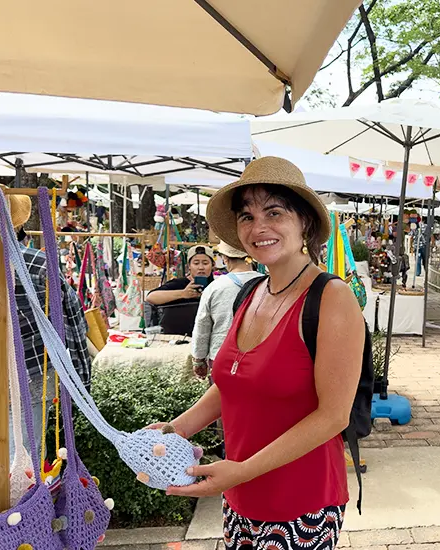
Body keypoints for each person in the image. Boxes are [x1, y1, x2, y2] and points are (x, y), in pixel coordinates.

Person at [159, 157, 364, 550]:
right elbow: (230, 384)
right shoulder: (249, 293)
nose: (259, 227)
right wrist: (176, 430)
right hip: (238, 494)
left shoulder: (331, 298)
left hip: (300, 503)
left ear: (304, 221)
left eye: (274, 212)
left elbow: (333, 416)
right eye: (247, 216)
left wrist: (242, 471)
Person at [0, 188, 91, 459]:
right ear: (19, 221)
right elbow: (71, 322)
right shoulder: (37, 263)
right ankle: (26, 503)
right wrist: (81, 380)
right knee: (24, 462)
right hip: (31, 372)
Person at [190, 242, 260, 379]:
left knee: (222, 399)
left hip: (222, 358)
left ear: (225, 258)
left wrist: (198, 360)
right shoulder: (268, 283)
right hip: (259, 359)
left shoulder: (215, 287)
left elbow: (202, 327)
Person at [145, 245, 214, 334]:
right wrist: (183, 293)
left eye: (205, 263)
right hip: (175, 338)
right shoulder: (178, 284)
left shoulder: (215, 286)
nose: (201, 267)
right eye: (196, 263)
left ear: (212, 265)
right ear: (189, 266)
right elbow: (151, 297)